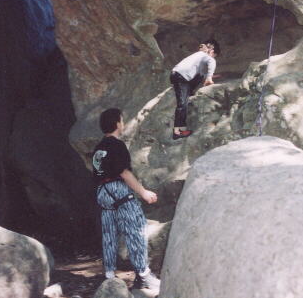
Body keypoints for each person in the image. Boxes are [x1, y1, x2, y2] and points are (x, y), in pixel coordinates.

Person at [91, 108, 160, 290]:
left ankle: (109, 276)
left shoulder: (99, 148)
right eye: (122, 120)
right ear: (117, 124)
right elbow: (124, 172)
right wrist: (143, 192)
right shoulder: (117, 145)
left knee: (109, 232)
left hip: (102, 192)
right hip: (117, 189)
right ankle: (144, 274)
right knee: (136, 227)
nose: (123, 123)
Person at [170, 39, 220, 140]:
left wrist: (208, 76)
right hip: (180, 76)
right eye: (214, 55)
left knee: (199, 76)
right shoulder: (205, 55)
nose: (213, 57)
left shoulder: (198, 56)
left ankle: (181, 129)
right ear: (212, 51)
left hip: (178, 75)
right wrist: (209, 77)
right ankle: (177, 132)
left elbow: (200, 73)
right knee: (182, 104)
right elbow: (211, 61)